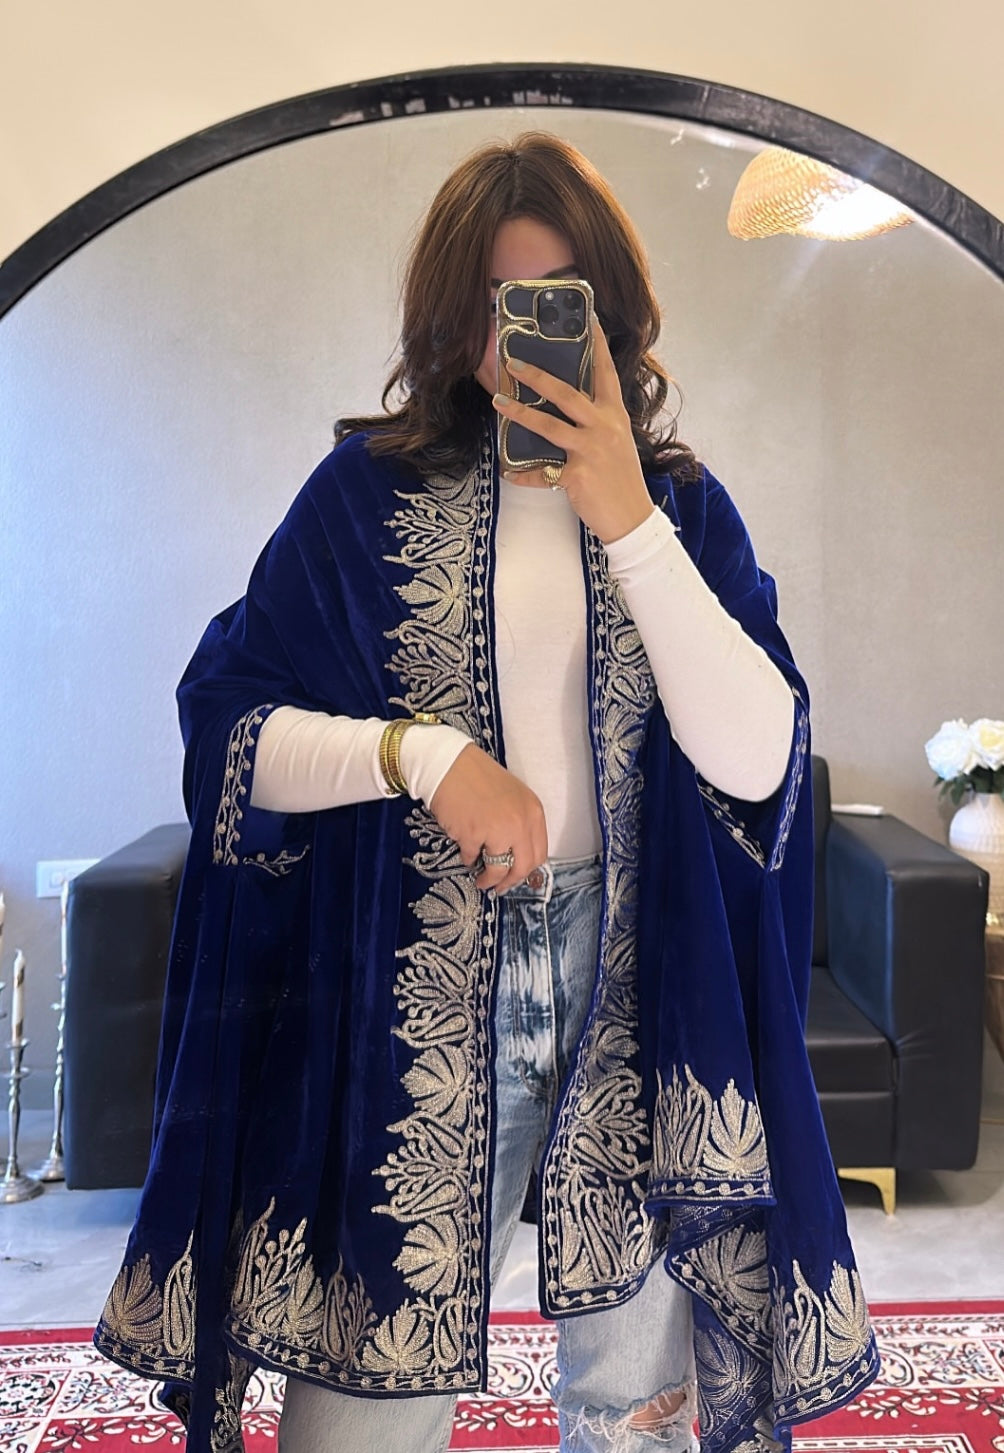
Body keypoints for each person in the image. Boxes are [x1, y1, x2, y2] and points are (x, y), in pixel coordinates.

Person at [94, 131, 878, 1453]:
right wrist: (426, 759)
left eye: (556, 302)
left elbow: (762, 764)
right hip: (412, 996)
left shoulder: (681, 512)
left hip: (639, 994)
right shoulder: (361, 500)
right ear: (451, 319)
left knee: (637, 1416)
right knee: (364, 1415)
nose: (523, 343)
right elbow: (228, 730)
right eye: (496, 305)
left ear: (609, 316)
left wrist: (625, 517)